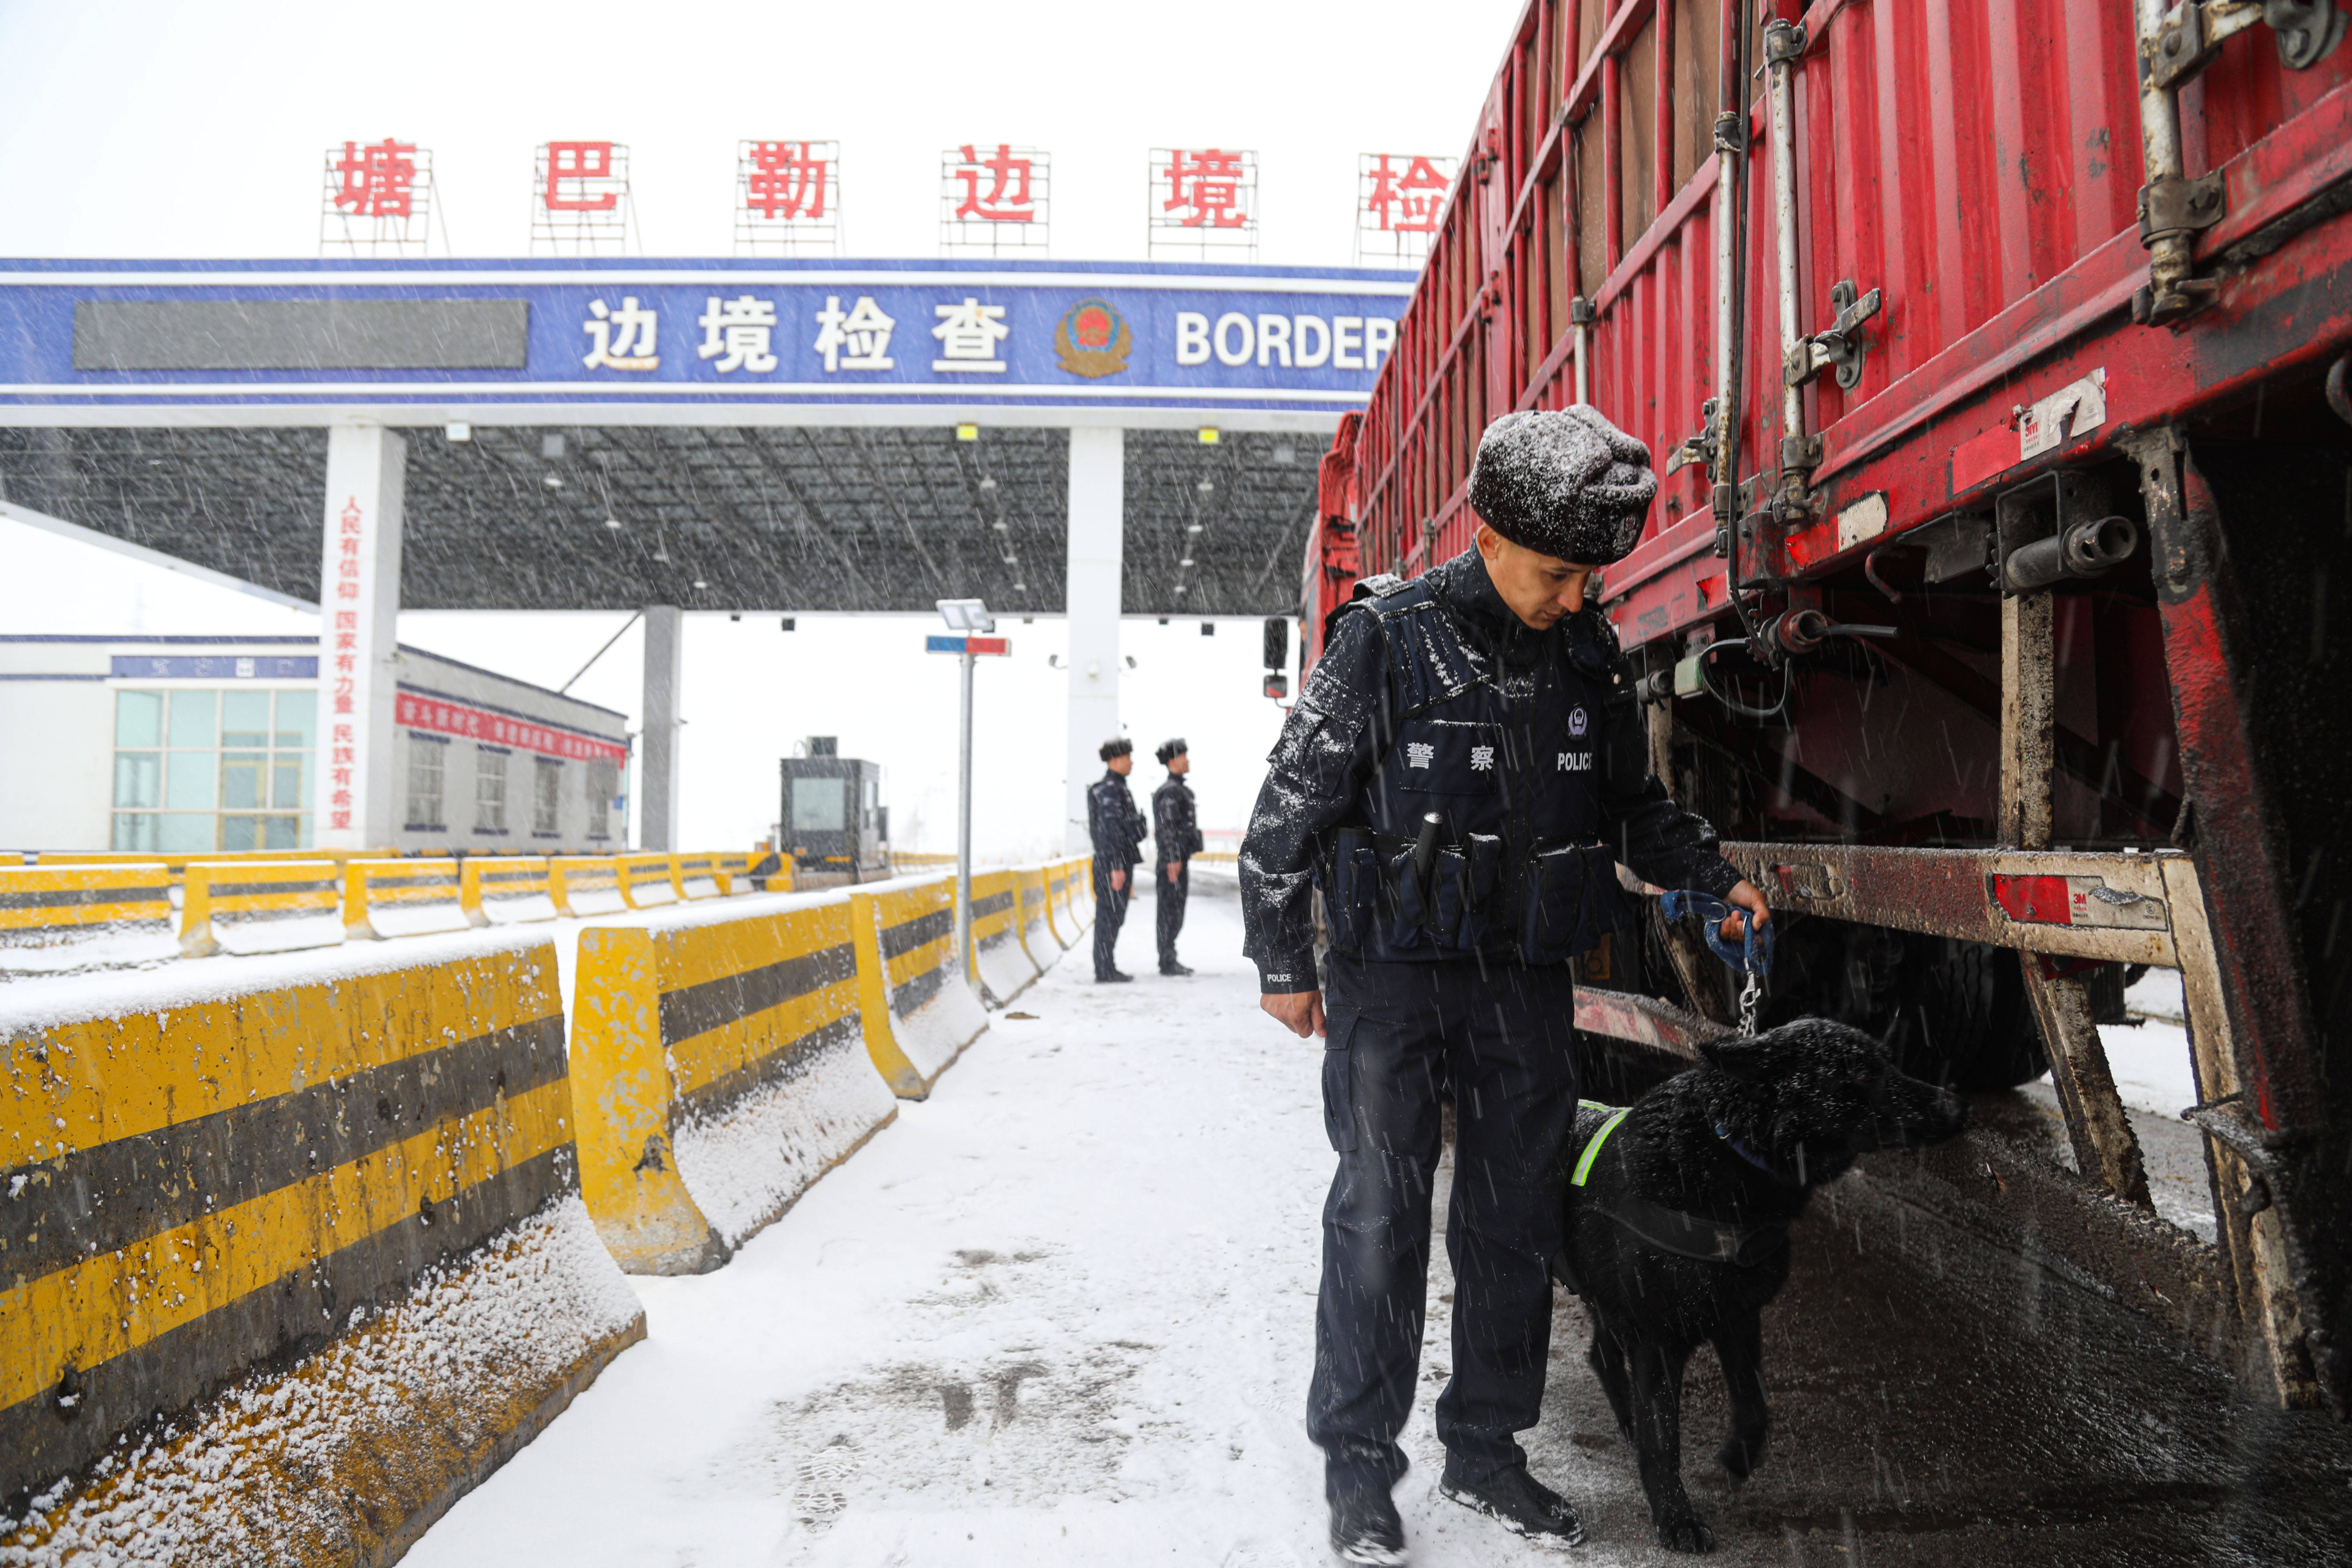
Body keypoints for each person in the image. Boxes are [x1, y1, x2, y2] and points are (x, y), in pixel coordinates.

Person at [1238, 406, 1771, 1564]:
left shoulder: (1584, 652)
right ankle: (1360, 1472)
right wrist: (1283, 956)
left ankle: (1485, 1449)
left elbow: (1632, 806)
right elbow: (1290, 807)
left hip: (1523, 985)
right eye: (1558, 572)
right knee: (1380, 1220)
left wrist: (1710, 874)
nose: (1578, 596)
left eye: (1591, 576)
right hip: (1390, 982)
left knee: (1516, 1223)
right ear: (1489, 537)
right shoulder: (1385, 638)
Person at [1086, 736, 1148, 982]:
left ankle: (1106, 966)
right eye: (1127, 758)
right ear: (1115, 760)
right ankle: (1104, 969)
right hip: (1113, 862)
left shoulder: (1116, 787)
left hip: (1116, 861)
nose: (1131, 763)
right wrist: (1117, 867)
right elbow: (1110, 832)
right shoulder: (1111, 790)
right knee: (1109, 916)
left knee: (1113, 916)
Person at [1151, 738, 1202, 976]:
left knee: (1175, 910)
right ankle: (1167, 961)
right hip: (1173, 861)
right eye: (1184, 757)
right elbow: (1168, 828)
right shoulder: (1171, 792)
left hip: (1178, 859)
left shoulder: (1178, 789)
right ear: (1173, 761)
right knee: (1169, 911)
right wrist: (1173, 859)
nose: (1188, 761)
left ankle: (1169, 957)